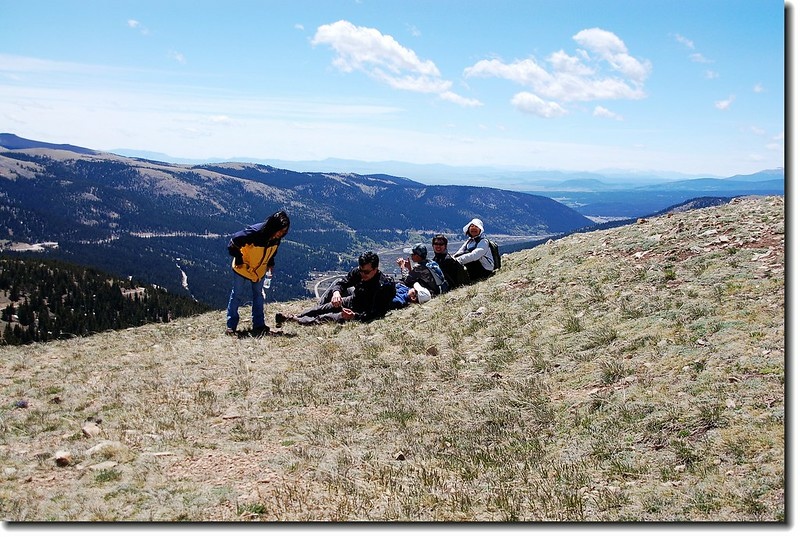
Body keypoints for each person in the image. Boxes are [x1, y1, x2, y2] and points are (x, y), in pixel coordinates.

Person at [275, 251, 395, 325]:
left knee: (326, 317)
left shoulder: (384, 287)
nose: (362, 274)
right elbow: (342, 282)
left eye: (366, 272)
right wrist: (337, 293)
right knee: (320, 309)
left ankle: (294, 319)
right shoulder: (358, 272)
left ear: (375, 269)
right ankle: (299, 315)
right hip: (352, 300)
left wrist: (355, 316)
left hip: (360, 311)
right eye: (361, 270)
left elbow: (376, 313)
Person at [225, 210, 290, 336]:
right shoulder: (254, 233)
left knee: (258, 295)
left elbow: (272, 251)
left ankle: (259, 325)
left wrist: (270, 263)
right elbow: (233, 242)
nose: (282, 234)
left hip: (259, 270)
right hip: (243, 267)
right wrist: (238, 258)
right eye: (281, 230)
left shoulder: (276, 238)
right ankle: (231, 326)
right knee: (237, 295)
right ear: (273, 227)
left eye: (284, 231)